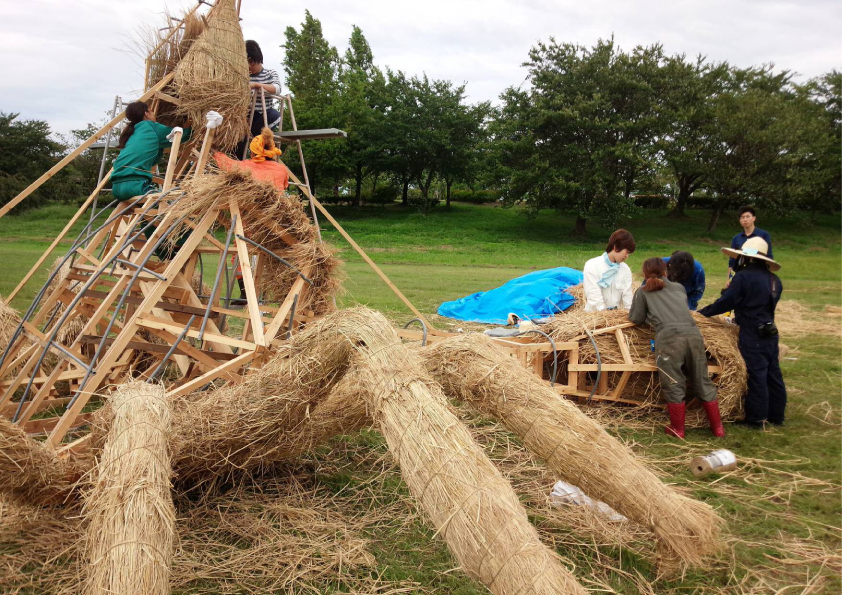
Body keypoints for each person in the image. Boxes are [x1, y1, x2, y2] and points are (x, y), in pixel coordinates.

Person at [628, 258, 725, 438]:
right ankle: (718, 428)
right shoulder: (679, 288)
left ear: (644, 274)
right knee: (702, 380)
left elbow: (635, 318)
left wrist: (650, 317)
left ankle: (678, 429)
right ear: (665, 271)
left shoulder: (643, 291)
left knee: (673, 382)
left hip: (669, 339)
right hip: (694, 336)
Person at [698, 237, 786, 429]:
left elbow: (727, 302)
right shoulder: (775, 280)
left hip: (752, 332)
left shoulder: (743, 277)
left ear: (747, 258)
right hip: (770, 331)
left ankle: (756, 419)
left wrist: (702, 313)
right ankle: (776, 415)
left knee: (757, 374)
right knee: (773, 373)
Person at [110, 101, 190, 200]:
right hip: (136, 185)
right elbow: (181, 134)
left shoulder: (132, 133)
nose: (153, 114)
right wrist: (198, 129)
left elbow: (153, 161)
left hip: (116, 188)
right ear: (146, 114)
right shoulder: (150, 126)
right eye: (151, 111)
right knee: (173, 203)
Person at [583, 229, 635, 312]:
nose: (627, 256)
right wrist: (605, 315)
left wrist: (629, 313)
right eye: (626, 252)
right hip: (595, 315)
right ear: (616, 247)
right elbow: (593, 294)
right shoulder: (592, 265)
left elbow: (627, 296)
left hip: (617, 315)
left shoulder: (625, 269)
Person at [246, 40, 282, 134]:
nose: (249, 66)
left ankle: (254, 136)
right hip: (247, 116)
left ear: (258, 58)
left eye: (251, 62)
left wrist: (257, 85)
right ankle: (250, 137)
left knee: (274, 115)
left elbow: (277, 88)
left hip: (264, 116)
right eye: (246, 63)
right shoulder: (244, 76)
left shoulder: (270, 73)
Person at [729, 206, 772, 282]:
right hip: (740, 275)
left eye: (747, 216)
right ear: (740, 220)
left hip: (759, 274)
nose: (745, 220)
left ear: (754, 218)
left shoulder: (764, 235)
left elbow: (769, 257)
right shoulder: (736, 238)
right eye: (742, 217)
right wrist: (729, 278)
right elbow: (732, 260)